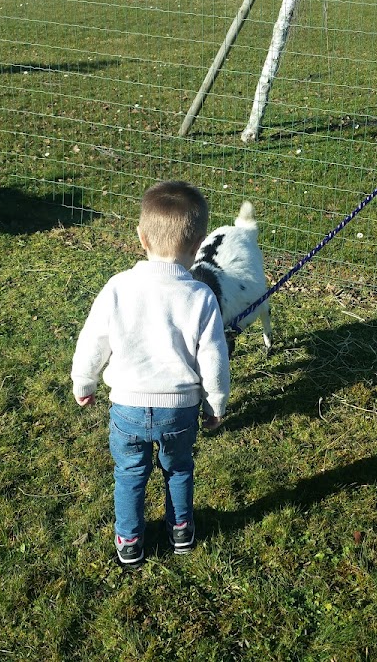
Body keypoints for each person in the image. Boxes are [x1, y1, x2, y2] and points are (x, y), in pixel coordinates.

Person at [72, 180, 230, 566]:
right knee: (178, 468)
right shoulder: (200, 296)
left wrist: (84, 380)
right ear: (197, 247)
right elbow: (214, 358)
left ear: (141, 237)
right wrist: (215, 405)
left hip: (127, 408)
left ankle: (129, 540)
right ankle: (181, 530)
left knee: (129, 472)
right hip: (179, 411)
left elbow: (93, 339)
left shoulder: (118, 288)